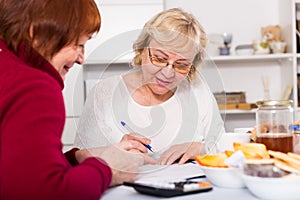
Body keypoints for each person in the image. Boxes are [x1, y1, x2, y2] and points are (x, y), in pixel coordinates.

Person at [0, 0, 150, 199]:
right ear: (36, 33)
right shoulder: (36, 86)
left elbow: (14, 171)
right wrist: (108, 169)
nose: (82, 59)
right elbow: (45, 191)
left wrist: (77, 158)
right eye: (79, 45)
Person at [74, 8, 225, 165]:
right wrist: (115, 151)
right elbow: (79, 160)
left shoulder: (197, 90)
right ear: (142, 50)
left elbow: (224, 145)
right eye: (159, 59)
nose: (167, 73)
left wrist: (200, 148)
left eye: (181, 65)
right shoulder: (104, 92)